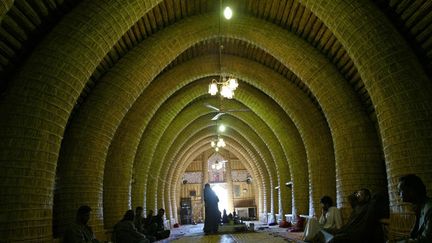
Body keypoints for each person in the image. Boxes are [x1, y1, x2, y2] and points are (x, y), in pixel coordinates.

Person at [396, 174, 432, 242]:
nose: (398, 194)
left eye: (400, 191)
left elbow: (426, 240)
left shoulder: (429, 209)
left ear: (411, 190)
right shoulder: (420, 207)